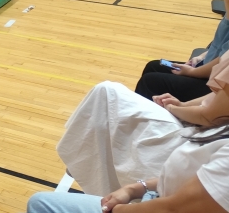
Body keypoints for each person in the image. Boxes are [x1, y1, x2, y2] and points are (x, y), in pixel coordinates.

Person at [6, 125, 229, 213]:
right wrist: (134, 188)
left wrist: (120, 212)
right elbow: (188, 180)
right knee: (40, 203)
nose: (214, 78)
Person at [58, 57, 229, 198]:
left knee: (108, 92)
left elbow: (209, 116)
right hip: (198, 130)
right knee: (107, 93)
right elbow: (215, 96)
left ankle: (84, 159)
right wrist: (182, 105)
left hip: (198, 138)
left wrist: (173, 109)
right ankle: (84, 157)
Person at [135, 0, 229, 102]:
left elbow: (222, 64)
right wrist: (200, 59)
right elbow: (219, 46)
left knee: (150, 82)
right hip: (211, 71)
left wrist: (191, 72)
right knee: (155, 65)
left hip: (216, 87)